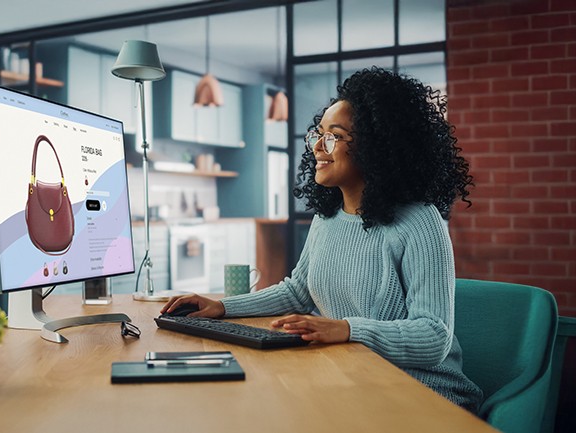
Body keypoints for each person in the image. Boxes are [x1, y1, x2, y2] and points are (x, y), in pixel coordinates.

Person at [161, 66, 483, 413]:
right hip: (355, 376)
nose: (317, 146)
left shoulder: (419, 221)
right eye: (318, 133)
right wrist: (221, 307)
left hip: (423, 392)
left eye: (334, 136)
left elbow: (433, 336)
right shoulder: (327, 217)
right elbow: (297, 292)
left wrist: (345, 329)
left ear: (376, 146)